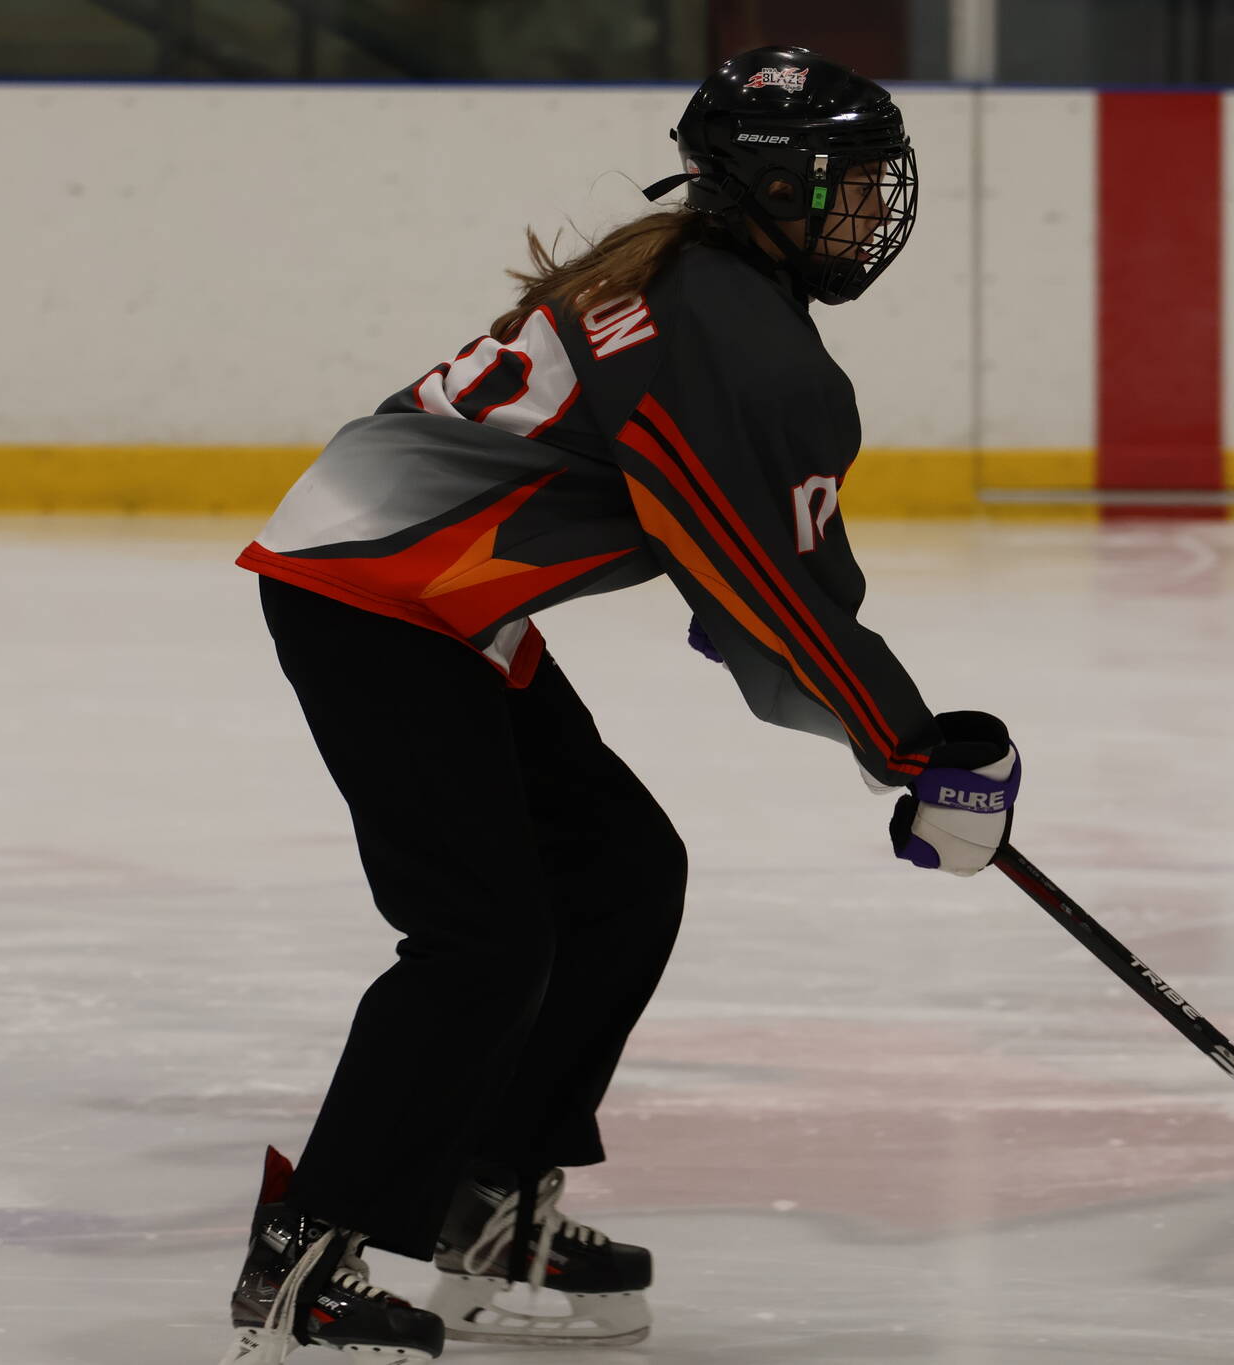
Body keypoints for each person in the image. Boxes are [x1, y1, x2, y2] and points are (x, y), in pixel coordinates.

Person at [217, 45, 1023, 1364]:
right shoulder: (735, 339)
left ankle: (488, 1199)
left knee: (624, 871)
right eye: (850, 185)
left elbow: (727, 573)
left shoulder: (690, 276)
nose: (872, 213)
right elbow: (762, 578)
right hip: (377, 599)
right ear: (771, 184)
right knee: (480, 939)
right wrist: (910, 747)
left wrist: (892, 732)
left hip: (427, 593)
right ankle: (319, 1257)